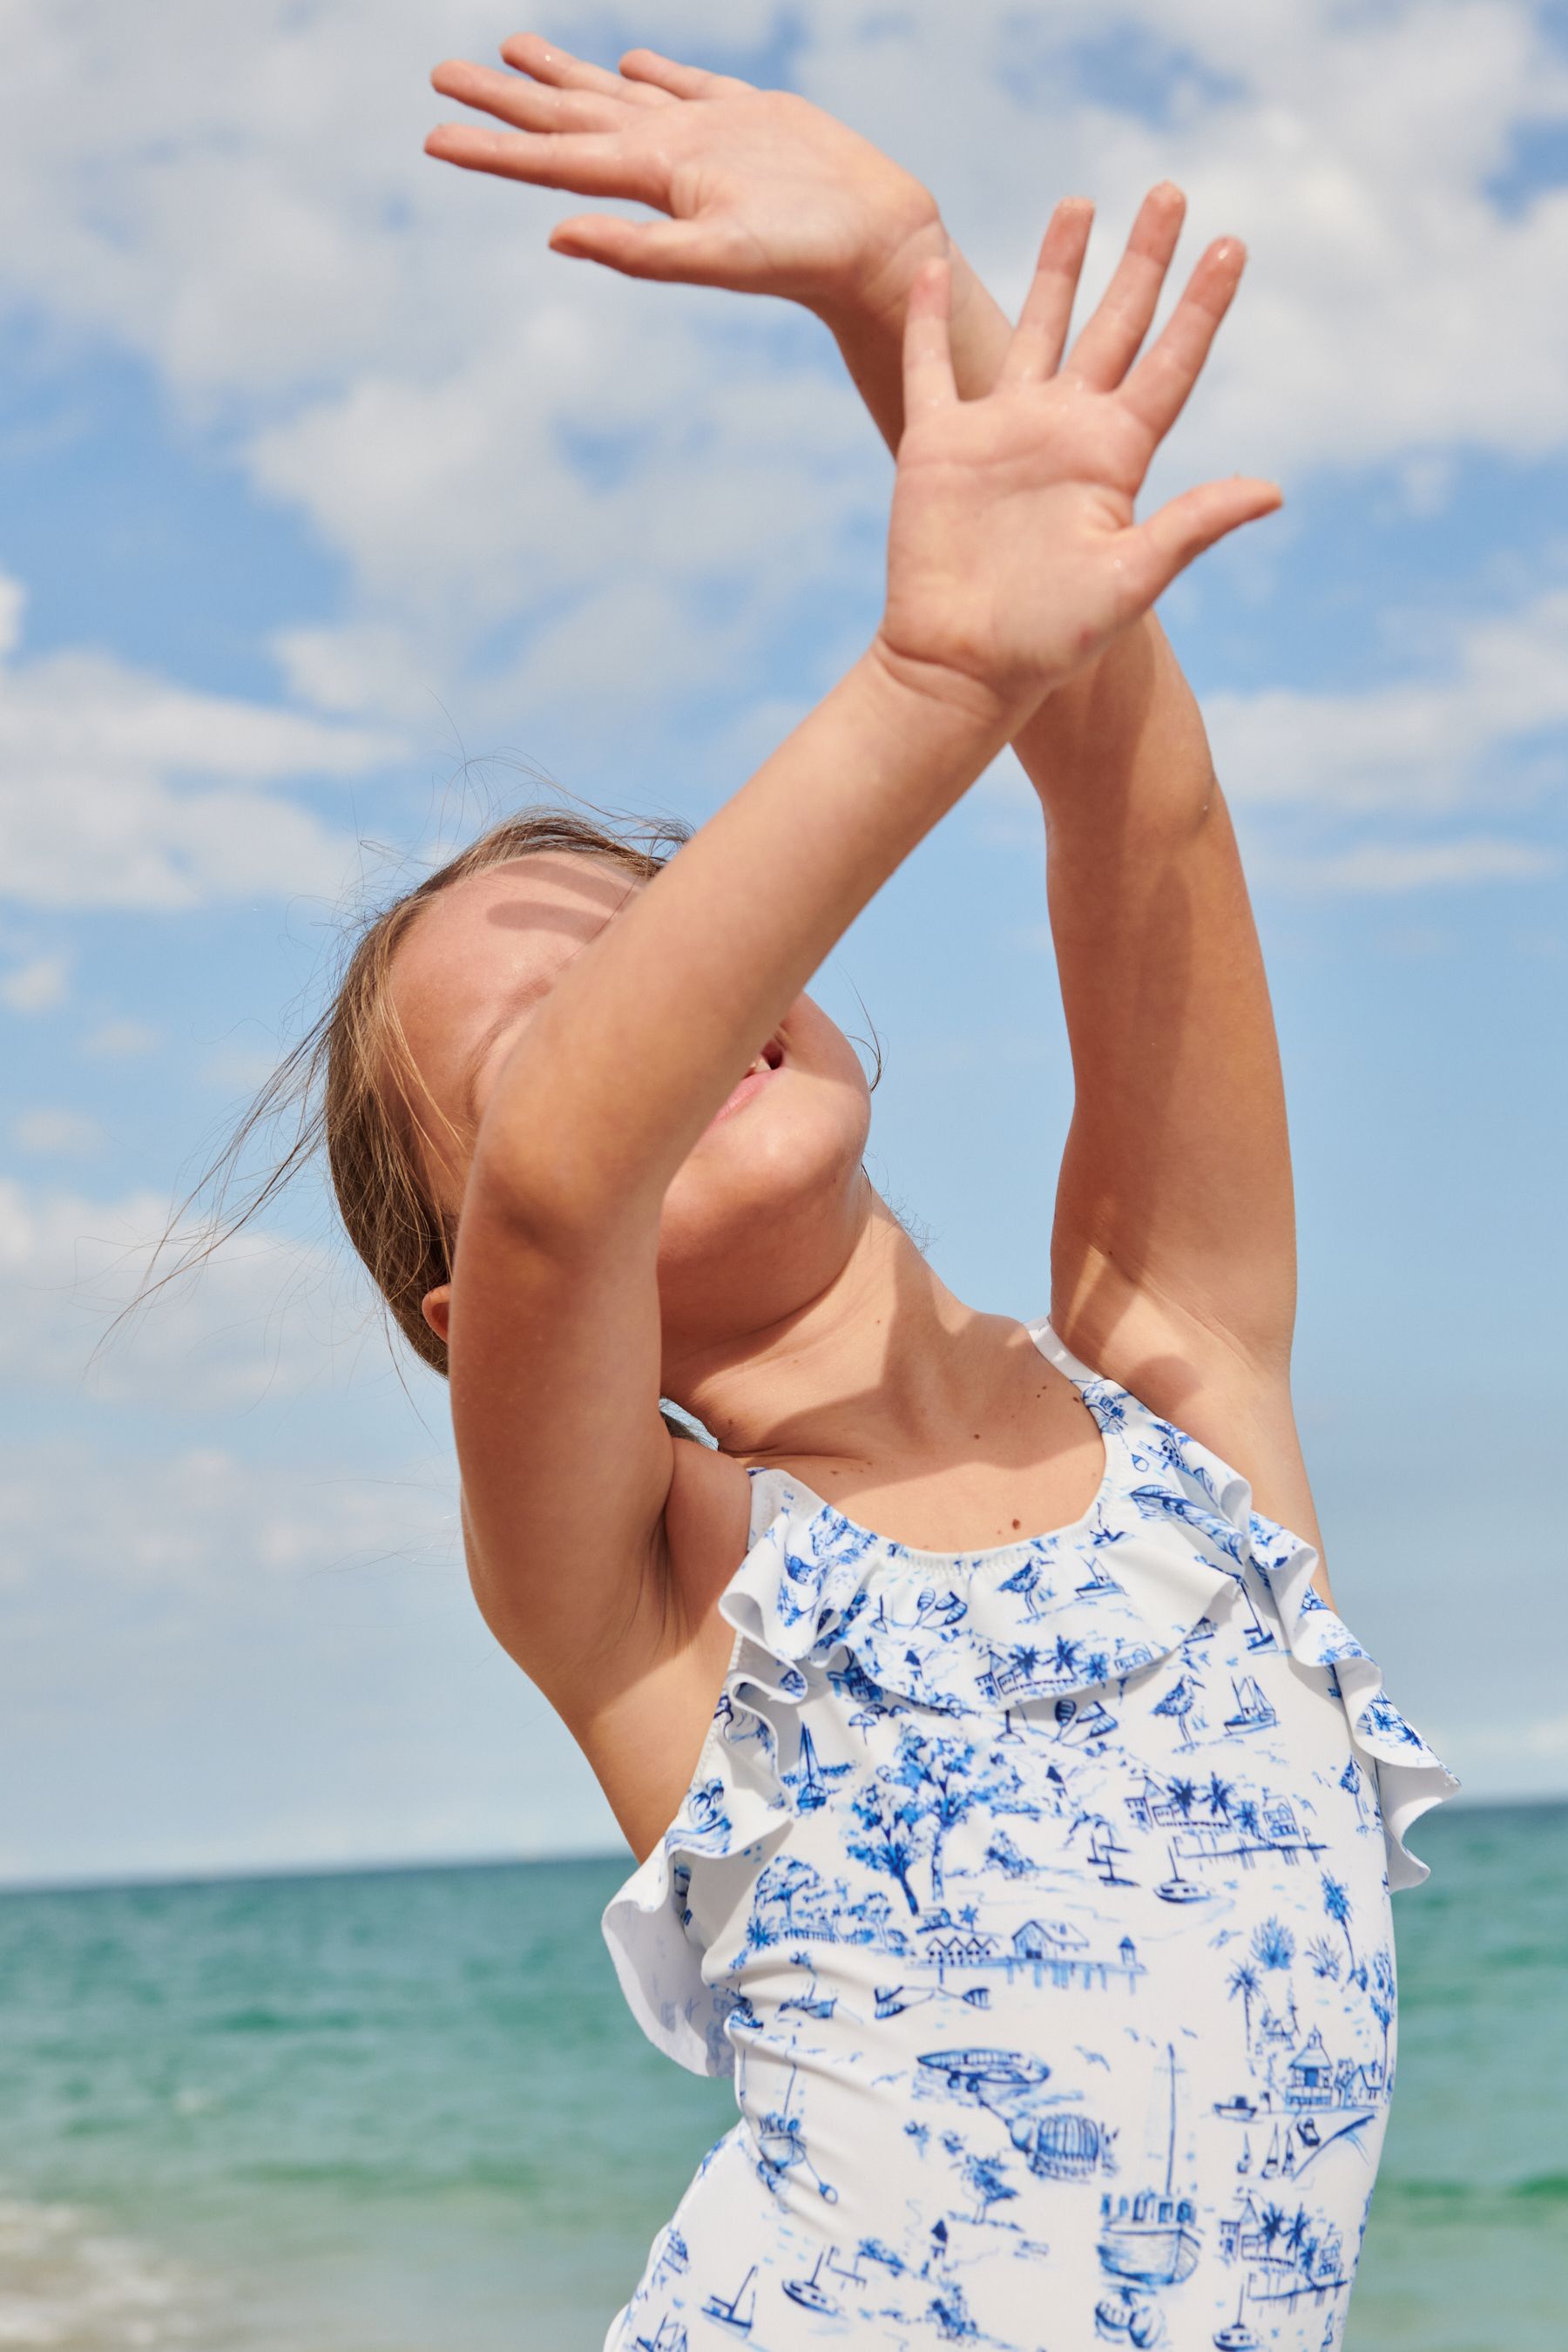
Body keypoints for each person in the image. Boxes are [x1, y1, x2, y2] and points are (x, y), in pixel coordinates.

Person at [206, 37, 1460, 2352]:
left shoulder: (1189, 1389)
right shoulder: (661, 1582)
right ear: (461, 1315)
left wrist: (906, 292)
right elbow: (573, 1192)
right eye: (572, 1025)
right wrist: (920, 678)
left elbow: (1146, 829)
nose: (678, 1006)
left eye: (678, 926)